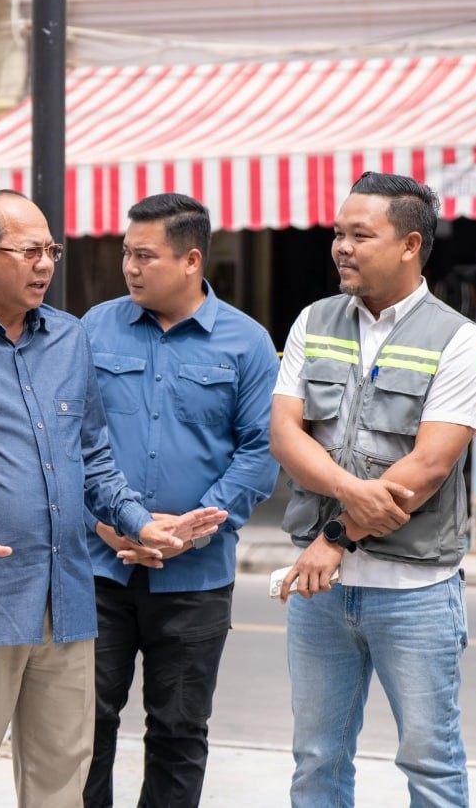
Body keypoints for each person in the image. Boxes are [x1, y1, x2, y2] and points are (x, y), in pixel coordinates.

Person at [0, 189, 226, 808]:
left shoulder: (68, 338)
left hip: (66, 601)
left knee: (62, 785)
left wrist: (140, 524)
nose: (44, 265)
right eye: (29, 251)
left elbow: (94, 460)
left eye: (51, 251)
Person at [271, 171, 476, 807]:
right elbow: (285, 436)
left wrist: (334, 538)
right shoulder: (313, 321)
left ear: (409, 245)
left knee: (430, 762)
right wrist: (348, 493)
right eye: (338, 233)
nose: (341, 247)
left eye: (360, 235)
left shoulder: (457, 339)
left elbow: (426, 470)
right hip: (320, 595)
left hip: (414, 591)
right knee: (317, 759)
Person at [79, 193, 280, 807]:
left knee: (179, 730)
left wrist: (192, 530)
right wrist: (107, 523)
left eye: (145, 255)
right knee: (84, 725)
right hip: (99, 569)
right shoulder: (94, 329)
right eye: (126, 253)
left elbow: (261, 450)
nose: (129, 267)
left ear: (191, 260)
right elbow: (66, 438)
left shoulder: (246, 343)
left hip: (196, 575)